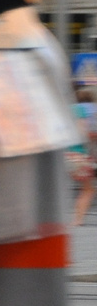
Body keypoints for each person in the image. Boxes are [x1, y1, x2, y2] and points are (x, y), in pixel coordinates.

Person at [71, 88, 96, 227]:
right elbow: (84, 133)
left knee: (86, 188)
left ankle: (78, 218)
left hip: (70, 154)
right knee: (88, 189)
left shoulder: (71, 109)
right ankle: (77, 220)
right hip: (81, 154)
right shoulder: (86, 110)